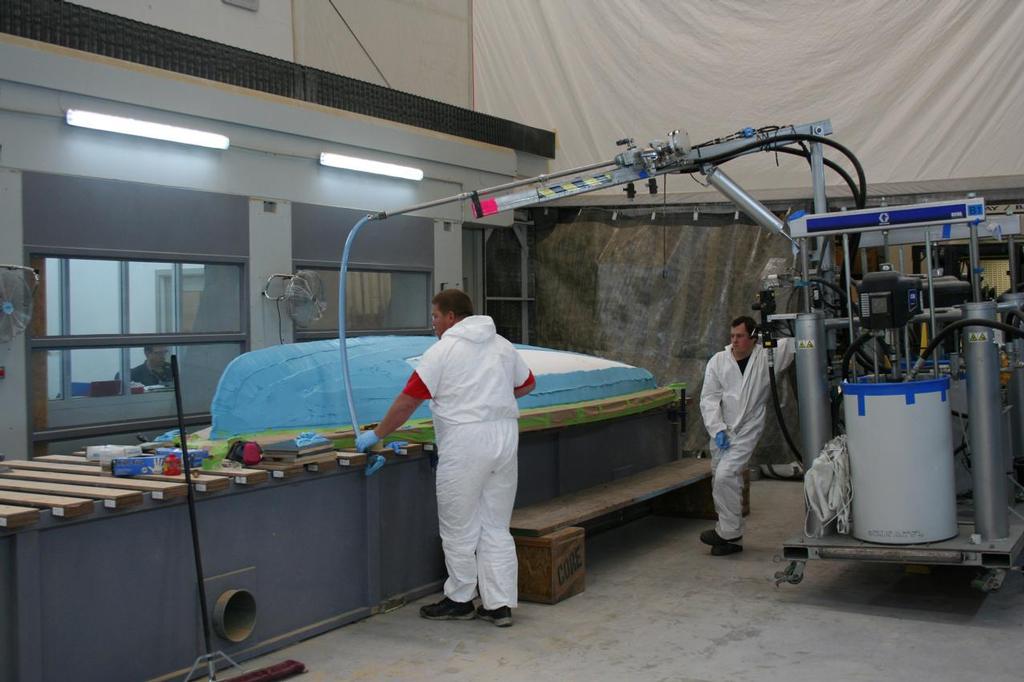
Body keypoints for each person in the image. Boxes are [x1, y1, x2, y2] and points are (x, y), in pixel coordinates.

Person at [355, 289, 535, 626]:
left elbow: (408, 401)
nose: (433, 323)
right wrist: (490, 394)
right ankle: (498, 606)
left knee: (458, 526)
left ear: (451, 317)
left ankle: (460, 599)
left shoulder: (442, 351)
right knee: (495, 525)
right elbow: (527, 384)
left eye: (435, 316)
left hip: (466, 441)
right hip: (504, 437)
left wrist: (377, 434)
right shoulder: (502, 345)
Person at [698, 315, 794, 556]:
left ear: (753, 337)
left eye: (740, 336)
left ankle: (729, 532)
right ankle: (731, 535)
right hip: (722, 430)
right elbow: (709, 399)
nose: (735, 341)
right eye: (732, 336)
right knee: (720, 480)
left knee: (725, 475)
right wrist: (717, 429)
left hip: (748, 428)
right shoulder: (719, 361)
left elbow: (796, 343)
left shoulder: (765, 356)